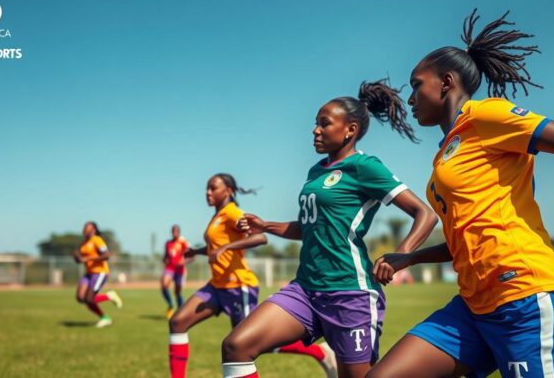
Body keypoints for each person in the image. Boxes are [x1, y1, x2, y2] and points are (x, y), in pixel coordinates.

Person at [366, 10, 554, 378]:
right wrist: (409, 259)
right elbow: (464, 239)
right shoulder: (446, 151)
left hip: (524, 296)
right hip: (474, 306)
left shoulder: (485, 115)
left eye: (416, 84)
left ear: (446, 82)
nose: (410, 97)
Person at [221, 80, 438, 378]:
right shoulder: (315, 171)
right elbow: (310, 227)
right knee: (236, 346)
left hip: (350, 294)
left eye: (324, 123)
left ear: (350, 130)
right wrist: (266, 225)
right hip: (305, 288)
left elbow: (424, 214)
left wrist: (402, 255)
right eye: (315, 123)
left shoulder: (365, 166)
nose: (315, 130)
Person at [167, 173, 337, 378]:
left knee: (245, 342)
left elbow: (260, 238)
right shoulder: (218, 215)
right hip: (216, 286)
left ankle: (319, 352)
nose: (208, 192)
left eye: (213, 188)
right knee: (178, 322)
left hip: (238, 286)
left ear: (228, 190)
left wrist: (227, 247)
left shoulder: (232, 212)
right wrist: (197, 251)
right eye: (207, 188)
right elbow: (216, 246)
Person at [74, 221, 123, 328]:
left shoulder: (97, 240)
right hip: (88, 273)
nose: (85, 229)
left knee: (89, 299)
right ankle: (105, 317)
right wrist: (77, 257)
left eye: (87, 227)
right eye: (84, 227)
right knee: (80, 298)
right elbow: (79, 257)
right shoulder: (84, 243)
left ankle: (109, 298)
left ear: (93, 230)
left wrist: (88, 258)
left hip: (100, 272)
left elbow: (106, 255)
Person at [161, 224, 188, 319]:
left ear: (179, 232)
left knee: (177, 292)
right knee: (164, 286)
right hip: (170, 268)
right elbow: (165, 256)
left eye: (176, 231)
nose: (174, 233)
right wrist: (164, 259)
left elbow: (191, 256)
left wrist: (184, 261)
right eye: (173, 231)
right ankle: (170, 304)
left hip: (180, 270)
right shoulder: (168, 243)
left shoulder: (183, 243)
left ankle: (181, 311)